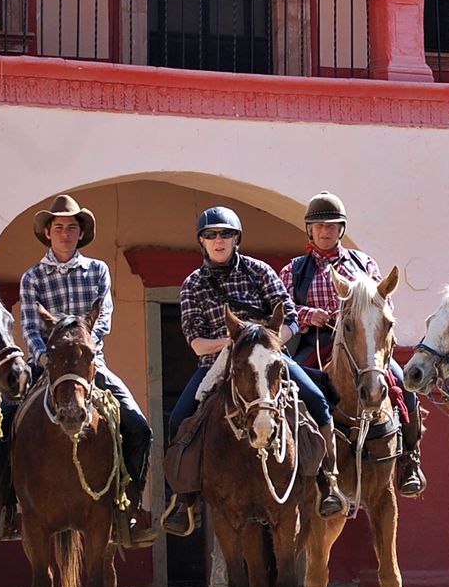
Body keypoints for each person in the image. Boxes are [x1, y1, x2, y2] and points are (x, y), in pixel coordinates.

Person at [0, 195, 159, 548]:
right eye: (58, 227)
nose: (65, 233)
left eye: (72, 227)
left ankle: (129, 508)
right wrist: (45, 357)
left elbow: (104, 319)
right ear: (47, 233)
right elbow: (28, 327)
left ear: (80, 233)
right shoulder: (33, 277)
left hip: (89, 364)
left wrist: (82, 348)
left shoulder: (98, 270)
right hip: (44, 364)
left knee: (139, 426)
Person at [162, 206, 346, 535]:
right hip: (217, 361)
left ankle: (327, 483)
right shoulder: (192, 284)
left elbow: (289, 317)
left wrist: (269, 343)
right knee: (179, 417)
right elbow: (196, 342)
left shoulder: (259, 271)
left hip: (267, 356)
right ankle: (184, 499)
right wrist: (235, 342)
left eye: (226, 234)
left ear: (236, 239)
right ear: (202, 242)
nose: (218, 240)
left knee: (318, 400)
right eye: (211, 235)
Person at [280, 191, 426, 497]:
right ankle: (297, 463)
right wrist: (310, 314)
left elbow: (382, 303)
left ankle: (410, 459)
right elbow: (284, 309)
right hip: (315, 342)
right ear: (309, 230)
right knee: (294, 391)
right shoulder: (294, 269)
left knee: (402, 383)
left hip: (361, 343)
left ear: (341, 230)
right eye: (319, 227)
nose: (325, 231)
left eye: (332, 226)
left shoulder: (363, 263)